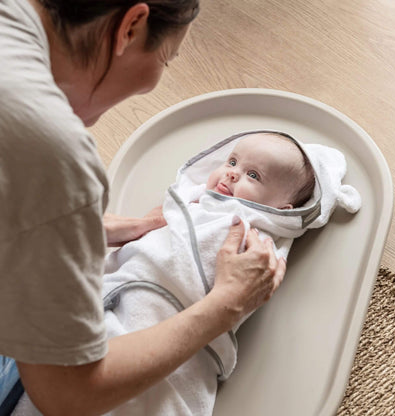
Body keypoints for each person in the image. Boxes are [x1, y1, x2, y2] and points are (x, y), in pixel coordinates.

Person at [0, 1, 286, 415]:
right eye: (166, 60)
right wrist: (227, 304)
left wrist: (83, 229)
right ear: (131, 25)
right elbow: (68, 392)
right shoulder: (54, 154)